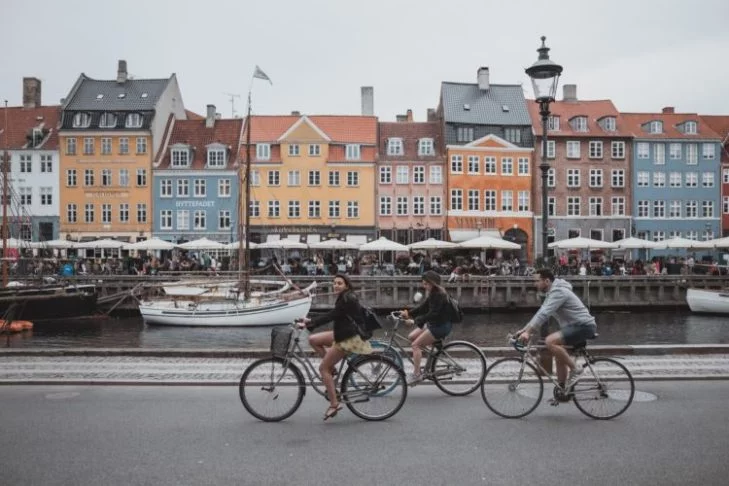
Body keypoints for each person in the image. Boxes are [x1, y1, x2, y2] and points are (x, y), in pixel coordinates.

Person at [298, 274, 371, 420]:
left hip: (348, 338)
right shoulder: (345, 296)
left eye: (339, 283)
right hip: (343, 332)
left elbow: (332, 315)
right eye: (334, 283)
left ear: (346, 285)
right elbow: (333, 314)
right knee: (313, 339)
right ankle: (333, 370)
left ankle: (334, 404)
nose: (336, 285)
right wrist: (310, 320)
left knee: (323, 369)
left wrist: (309, 323)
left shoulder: (347, 298)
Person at [517, 269, 597, 390]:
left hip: (584, 326)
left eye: (537, 281)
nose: (535, 284)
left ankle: (576, 369)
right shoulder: (552, 293)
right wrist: (524, 330)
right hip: (575, 327)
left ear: (547, 281)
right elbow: (540, 313)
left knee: (550, 341)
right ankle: (563, 389)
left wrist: (528, 332)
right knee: (558, 353)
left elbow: (544, 314)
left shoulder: (559, 292)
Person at [400, 270, 452, 386]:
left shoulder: (439, 294)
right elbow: (423, 308)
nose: (424, 286)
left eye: (426, 284)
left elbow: (433, 314)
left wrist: (414, 320)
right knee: (411, 336)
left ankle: (417, 375)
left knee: (415, 345)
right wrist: (408, 313)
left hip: (440, 327)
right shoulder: (433, 293)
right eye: (423, 283)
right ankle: (430, 355)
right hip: (434, 324)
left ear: (433, 283)